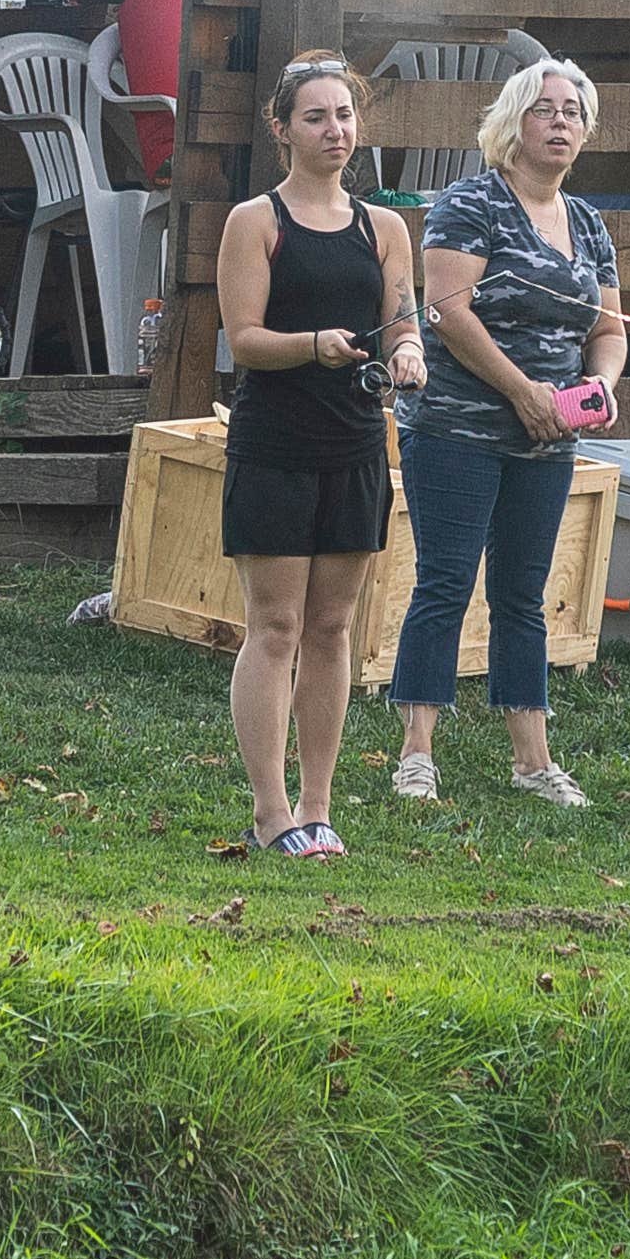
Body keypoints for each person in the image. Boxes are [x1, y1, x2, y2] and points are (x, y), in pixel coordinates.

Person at [391, 53, 624, 807]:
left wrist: (598, 388)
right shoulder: (471, 203)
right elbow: (447, 310)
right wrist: (522, 390)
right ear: (513, 122)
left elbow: (610, 329)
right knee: (445, 581)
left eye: (574, 111)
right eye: (546, 107)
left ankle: (532, 759)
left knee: (523, 592)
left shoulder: (588, 222)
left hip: (549, 437)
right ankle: (416, 752)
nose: (562, 121)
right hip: (457, 426)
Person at [207, 49, 403, 858]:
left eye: (345, 114)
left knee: (332, 627)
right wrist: (312, 345)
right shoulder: (254, 221)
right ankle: (270, 810)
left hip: (355, 445)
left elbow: (402, 324)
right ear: (283, 129)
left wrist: (412, 354)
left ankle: (319, 808)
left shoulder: (382, 226)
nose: (335, 129)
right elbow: (245, 339)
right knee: (277, 624)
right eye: (316, 116)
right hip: (276, 444)